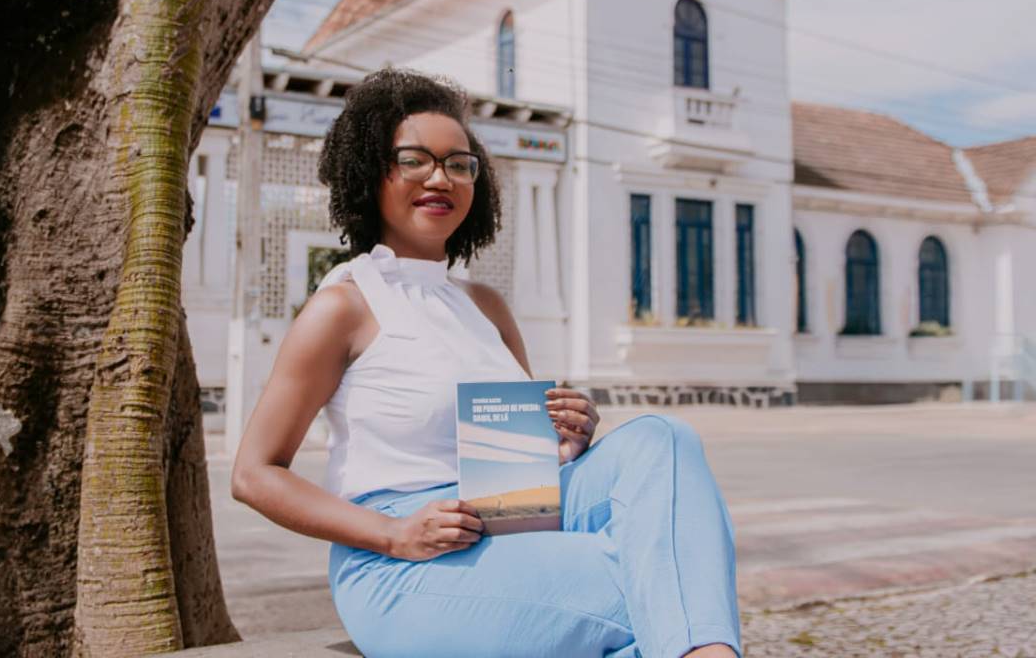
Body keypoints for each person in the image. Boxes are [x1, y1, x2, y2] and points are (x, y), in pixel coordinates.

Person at [230, 69, 741, 658]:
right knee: (665, 589)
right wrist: (394, 535)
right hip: (402, 558)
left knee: (663, 439)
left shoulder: (485, 306)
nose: (440, 178)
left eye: (459, 163)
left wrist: (566, 439)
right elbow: (254, 473)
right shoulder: (344, 305)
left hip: (510, 516)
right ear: (371, 169)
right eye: (415, 160)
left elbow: (522, 471)